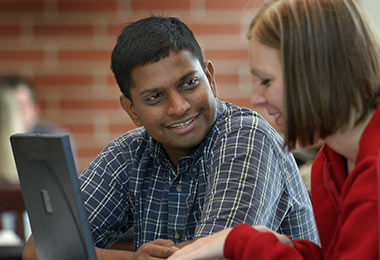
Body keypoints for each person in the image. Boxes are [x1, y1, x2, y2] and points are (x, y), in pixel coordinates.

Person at [23, 16, 319, 260]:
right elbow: (39, 251)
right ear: (132, 111)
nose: (179, 107)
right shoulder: (128, 153)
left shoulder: (246, 137)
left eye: (189, 83)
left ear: (211, 79)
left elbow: (215, 256)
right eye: (155, 97)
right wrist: (135, 259)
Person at [168, 0, 380, 259]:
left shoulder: (374, 178)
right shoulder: (329, 165)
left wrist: (242, 241)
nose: (256, 98)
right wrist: (276, 245)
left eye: (266, 81)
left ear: (317, 74)